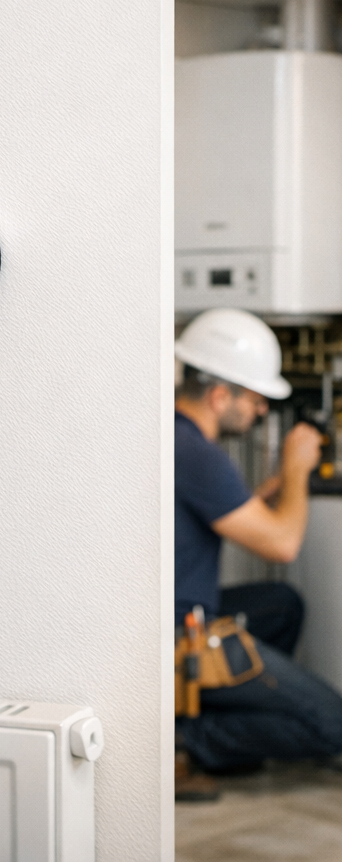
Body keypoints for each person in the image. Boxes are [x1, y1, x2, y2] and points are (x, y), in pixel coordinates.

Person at [174, 307, 342, 791]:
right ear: (220, 395)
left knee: (281, 605)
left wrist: (266, 492)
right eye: (255, 399)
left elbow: (226, 512)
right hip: (183, 637)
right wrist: (296, 467)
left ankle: (224, 708)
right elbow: (282, 545)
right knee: (330, 723)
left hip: (177, 615)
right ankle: (184, 740)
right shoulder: (198, 456)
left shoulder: (177, 441)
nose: (262, 411)